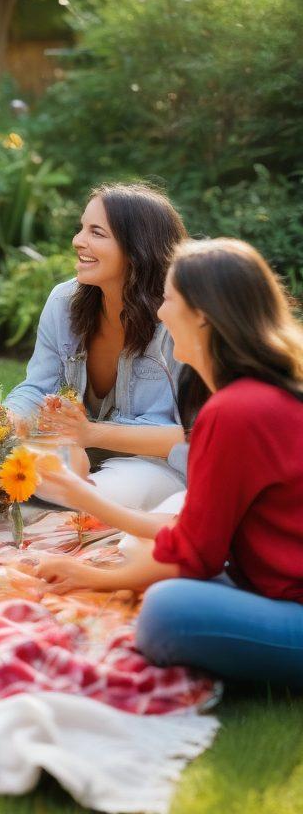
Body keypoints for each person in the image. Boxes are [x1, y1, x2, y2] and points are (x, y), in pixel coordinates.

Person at [33, 238, 303, 687]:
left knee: (167, 611)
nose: (159, 312)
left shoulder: (238, 410)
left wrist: (92, 577)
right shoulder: (256, 394)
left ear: (202, 314)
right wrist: (82, 496)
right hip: (270, 581)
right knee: (156, 546)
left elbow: (192, 556)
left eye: (170, 299)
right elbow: (200, 536)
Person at [6, 183, 188, 510]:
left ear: (137, 249)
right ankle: (70, 480)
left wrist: (92, 434)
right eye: (81, 228)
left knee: (87, 495)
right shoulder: (64, 302)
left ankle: (77, 488)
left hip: (153, 464)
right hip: (76, 450)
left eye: (97, 233)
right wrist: (6, 419)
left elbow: (194, 436)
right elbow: (37, 386)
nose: (78, 240)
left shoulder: (178, 320)